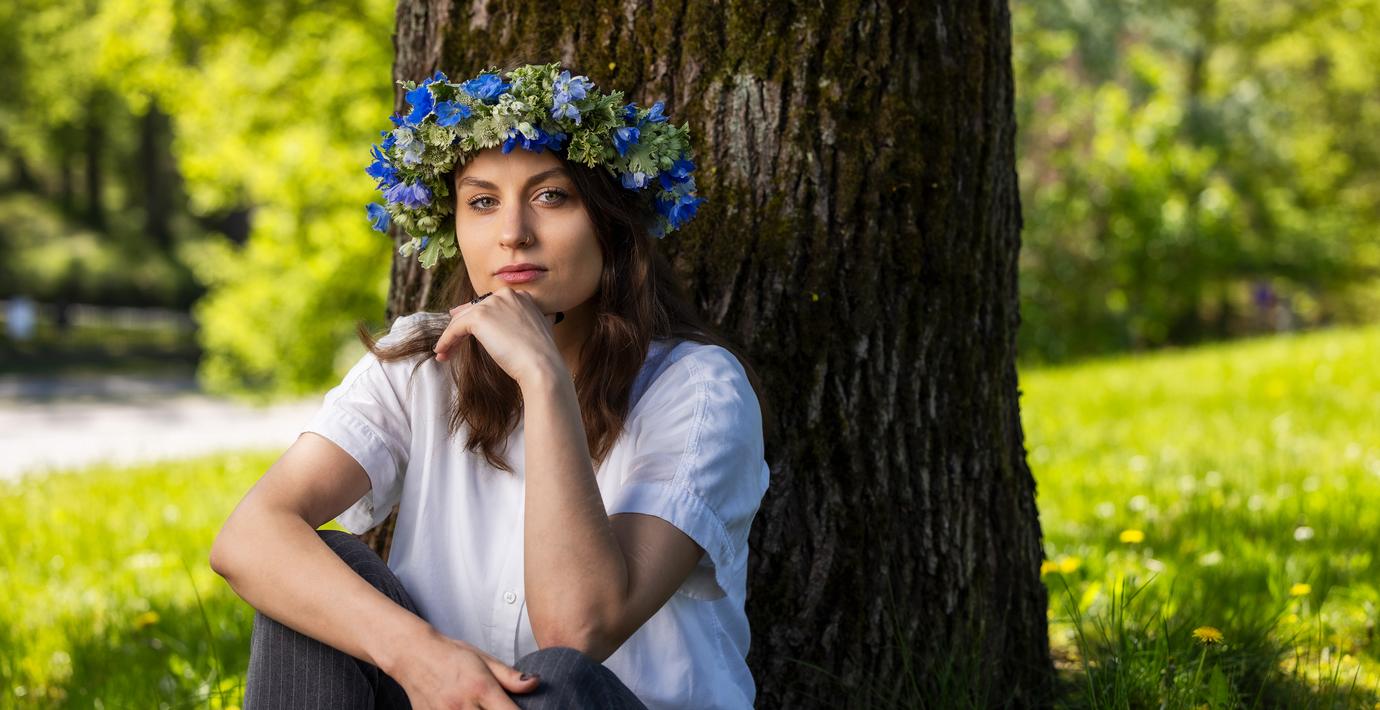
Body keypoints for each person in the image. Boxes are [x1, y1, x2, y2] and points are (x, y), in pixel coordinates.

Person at [210, 62, 773, 709]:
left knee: (557, 676)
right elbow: (248, 537)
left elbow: (577, 628)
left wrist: (543, 378)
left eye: (551, 196)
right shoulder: (421, 362)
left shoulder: (700, 391)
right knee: (317, 574)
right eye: (482, 201)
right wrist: (420, 654)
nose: (511, 233)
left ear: (613, 222)